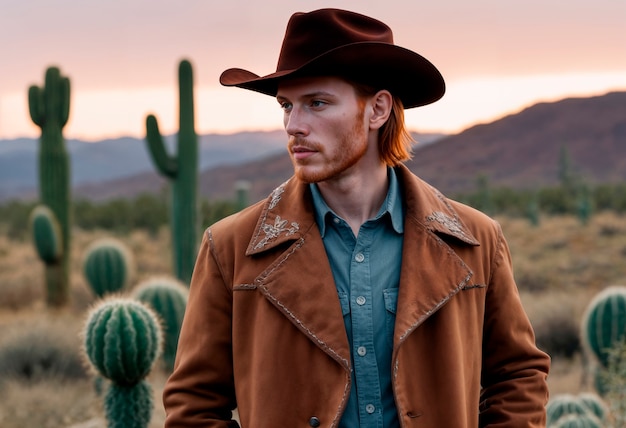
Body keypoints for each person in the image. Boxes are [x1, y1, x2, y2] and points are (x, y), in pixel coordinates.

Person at [163, 8, 550, 428]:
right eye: (287, 105)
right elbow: (194, 404)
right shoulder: (232, 248)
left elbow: (518, 375)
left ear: (378, 110)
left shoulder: (476, 240)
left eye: (317, 103)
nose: (294, 125)